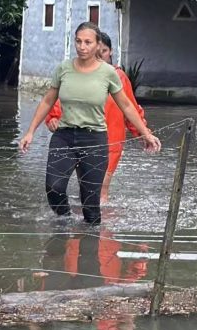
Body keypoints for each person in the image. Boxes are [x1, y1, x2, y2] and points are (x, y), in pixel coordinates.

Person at [18, 22, 160, 225]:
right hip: (65, 137)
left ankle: (91, 246)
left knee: (91, 202)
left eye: (87, 42)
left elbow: (128, 106)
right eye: (78, 41)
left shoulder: (110, 74)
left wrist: (145, 133)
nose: (82, 47)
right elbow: (49, 101)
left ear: (98, 46)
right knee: (54, 188)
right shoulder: (64, 69)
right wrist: (30, 131)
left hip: (95, 139)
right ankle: (65, 225)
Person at [45, 31, 148, 203]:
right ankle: (79, 226)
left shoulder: (118, 77)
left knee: (99, 191)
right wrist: (53, 118)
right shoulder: (77, 73)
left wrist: (143, 133)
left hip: (110, 143)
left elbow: (130, 108)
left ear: (111, 52)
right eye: (97, 52)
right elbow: (61, 101)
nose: (100, 56)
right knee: (86, 190)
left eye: (104, 52)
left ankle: (99, 228)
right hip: (81, 138)